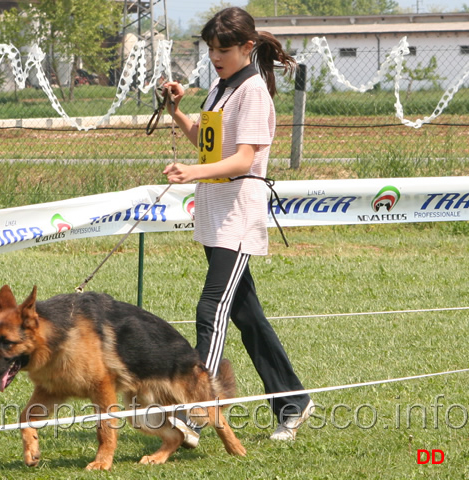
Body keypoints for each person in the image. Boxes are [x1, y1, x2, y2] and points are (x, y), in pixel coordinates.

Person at [162, 6, 313, 444]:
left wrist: (191, 173)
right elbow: (209, 146)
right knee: (250, 318)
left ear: (247, 47)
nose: (215, 55)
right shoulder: (219, 87)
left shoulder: (253, 93)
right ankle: (295, 402)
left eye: (223, 49)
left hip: (238, 219)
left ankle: (193, 411)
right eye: (210, 48)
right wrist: (177, 112)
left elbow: (245, 159)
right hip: (214, 216)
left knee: (212, 310)